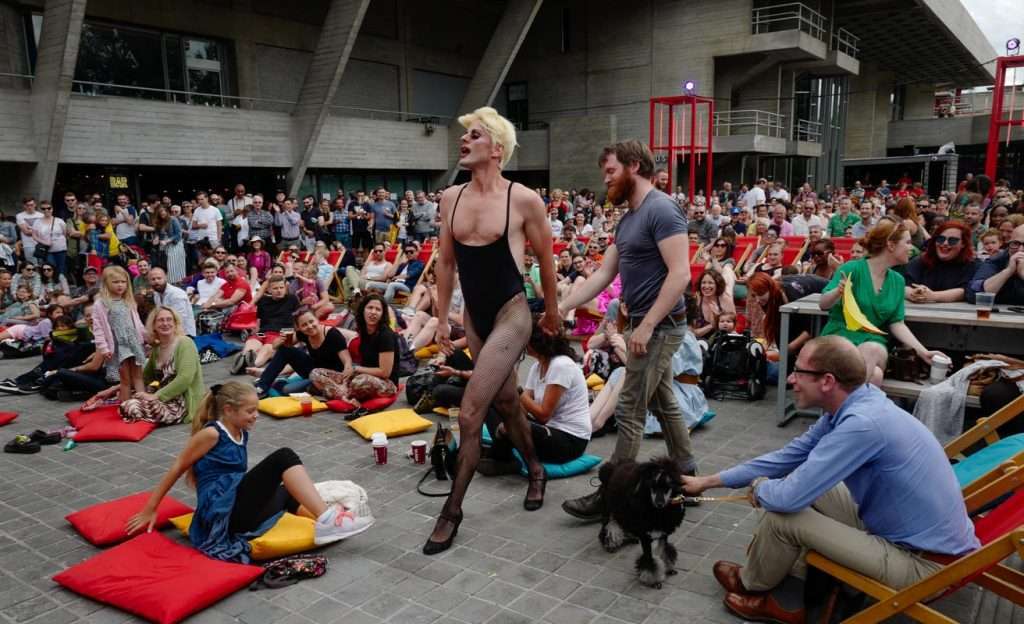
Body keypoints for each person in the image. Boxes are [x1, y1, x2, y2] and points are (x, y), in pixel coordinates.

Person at [681, 336, 978, 624]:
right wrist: (707, 482)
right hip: (906, 534)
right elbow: (786, 458)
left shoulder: (861, 425)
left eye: (798, 371)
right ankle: (790, 586)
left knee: (782, 516)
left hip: (923, 565)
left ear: (827, 381)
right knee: (800, 483)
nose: (790, 379)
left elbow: (786, 499)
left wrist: (760, 487)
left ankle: (759, 588)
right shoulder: (858, 403)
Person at [424, 106, 559, 555]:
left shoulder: (523, 199)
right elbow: (446, 263)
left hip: (511, 313)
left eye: (475, 135)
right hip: (474, 316)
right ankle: (535, 468)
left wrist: (552, 311)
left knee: (469, 414)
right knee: (505, 401)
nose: (464, 141)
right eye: (465, 135)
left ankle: (451, 512)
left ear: (497, 149)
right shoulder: (451, 197)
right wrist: (441, 318)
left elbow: (546, 259)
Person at [558, 139, 697, 522]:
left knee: (630, 408)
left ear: (634, 165)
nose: (606, 180)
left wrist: (646, 325)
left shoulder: (661, 209)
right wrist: (562, 307)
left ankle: (612, 495)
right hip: (644, 324)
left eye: (611, 171)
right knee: (664, 403)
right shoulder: (629, 219)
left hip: (660, 327)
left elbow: (681, 274)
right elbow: (604, 274)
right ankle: (687, 477)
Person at [124, 382, 373, 563]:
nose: (256, 416)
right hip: (223, 517)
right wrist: (151, 508)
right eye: (250, 411)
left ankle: (330, 523)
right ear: (229, 410)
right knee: (284, 458)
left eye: (256, 409)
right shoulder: (212, 433)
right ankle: (329, 519)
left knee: (286, 489)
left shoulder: (240, 432)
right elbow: (178, 465)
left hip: (236, 508)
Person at [819, 218, 944, 385]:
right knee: (875, 376)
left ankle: (840, 399)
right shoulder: (851, 268)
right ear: (891, 245)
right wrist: (837, 292)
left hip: (873, 341)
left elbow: (897, 323)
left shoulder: (897, 281)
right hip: (840, 337)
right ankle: (849, 400)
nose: (912, 248)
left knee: (871, 349)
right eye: (907, 242)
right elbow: (823, 304)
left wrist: (923, 352)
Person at [480, 321, 591, 474]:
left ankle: (499, 457)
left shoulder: (561, 366)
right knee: (493, 405)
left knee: (511, 427)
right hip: (547, 429)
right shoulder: (537, 367)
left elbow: (543, 415)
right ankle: (502, 456)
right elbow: (523, 409)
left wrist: (516, 389)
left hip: (569, 440)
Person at [86, 307, 204, 425]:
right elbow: (145, 378)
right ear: (153, 325)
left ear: (175, 323)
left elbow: (185, 378)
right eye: (161, 320)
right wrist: (111, 390)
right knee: (127, 396)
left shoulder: (185, 343)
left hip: (182, 403)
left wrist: (156, 396)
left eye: (169, 319)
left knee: (131, 406)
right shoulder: (157, 348)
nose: (165, 323)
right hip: (163, 398)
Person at [313, 294, 399, 403]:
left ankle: (340, 394)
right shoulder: (364, 331)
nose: (373, 312)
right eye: (370, 308)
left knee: (359, 382)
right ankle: (344, 395)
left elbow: (385, 372)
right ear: (363, 310)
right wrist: (349, 373)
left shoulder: (386, 335)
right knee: (316, 373)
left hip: (387, 383)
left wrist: (356, 369)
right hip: (364, 375)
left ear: (383, 314)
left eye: (378, 309)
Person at [254, 307, 352, 397]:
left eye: (311, 321)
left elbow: (347, 361)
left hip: (329, 377)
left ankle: (279, 383)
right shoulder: (303, 334)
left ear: (317, 319)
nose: (310, 326)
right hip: (313, 370)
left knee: (287, 389)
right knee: (285, 349)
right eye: (304, 325)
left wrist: (346, 374)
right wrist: (280, 341)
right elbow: (277, 348)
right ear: (298, 327)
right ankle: (262, 386)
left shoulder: (332, 334)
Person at [92, 265, 147, 402]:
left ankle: (143, 403)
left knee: (138, 375)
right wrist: (104, 348)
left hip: (133, 342)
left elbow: (137, 323)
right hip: (117, 345)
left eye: (123, 282)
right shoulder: (101, 303)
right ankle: (126, 405)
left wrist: (147, 337)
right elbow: (98, 329)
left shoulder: (128, 300)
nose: (120, 285)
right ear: (106, 283)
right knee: (125, 379)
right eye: (116, 282)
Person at [233, 275, 299, 372]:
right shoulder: (263, 300)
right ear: (269, 290)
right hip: (263, 332)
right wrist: (255, 331)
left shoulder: (292, 299)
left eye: (281, 287)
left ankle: (249, 365)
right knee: (251, 344)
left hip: (280, 333)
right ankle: (244, 358)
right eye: (275, 288)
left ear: (285, 288)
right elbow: (259, 320)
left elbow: (298, 318)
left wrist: (297, 338)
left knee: (267, 348)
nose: (279, 290)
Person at [904, 221, 977, 303]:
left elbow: (964, 291)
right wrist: (914, 293)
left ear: (963, 244)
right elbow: (904, 286)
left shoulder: (970, 264)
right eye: (941, 239)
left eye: (952, 240)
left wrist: (933, 296)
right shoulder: (920, 261)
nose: (945, 243)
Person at [149, 267, 195, 337]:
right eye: (153, 279)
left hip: (184, 335)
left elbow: (180, 319)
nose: (156, 281)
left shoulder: (177, 294)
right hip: (168, 333)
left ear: (165, 278)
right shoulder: (156, 294)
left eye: (159, 278)